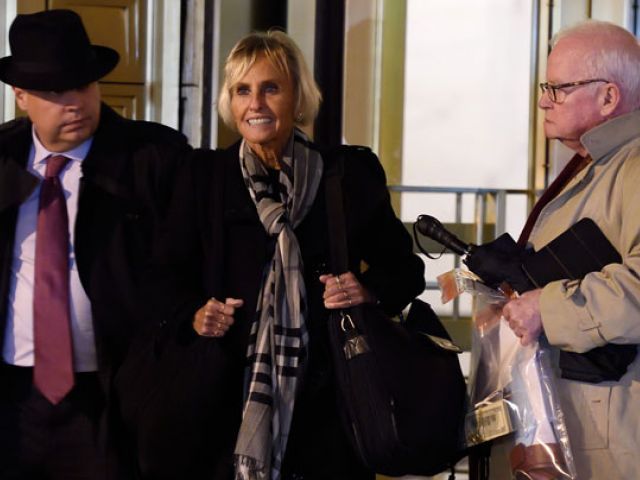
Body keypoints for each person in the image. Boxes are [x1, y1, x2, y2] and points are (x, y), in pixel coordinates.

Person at [127, 30, 425, 479]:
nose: (256, 104)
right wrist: (194, 313)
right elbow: (159, 276)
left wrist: (366, 289)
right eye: (243, 91)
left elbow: (406, 270)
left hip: (329, 402)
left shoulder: (347, 174)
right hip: (222, 400)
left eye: (271, 88)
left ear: (297, 97)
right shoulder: (203, 176)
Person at [0, 9, 190, 480]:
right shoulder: (2, 159)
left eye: (84, 86)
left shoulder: (154, 158)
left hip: (114, 400)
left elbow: (186, 269)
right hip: (10, 400)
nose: (75, 103)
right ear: (21, 96)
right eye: (56, 92)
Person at [496, 20, 640, 479]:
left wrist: (545, 307)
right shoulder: (597, 165)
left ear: (608, 97)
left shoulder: (632, 169)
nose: (543, 101)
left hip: (616, 430)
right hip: (585, 421)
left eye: (558, 88)